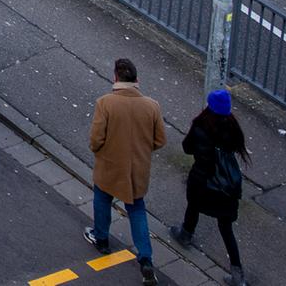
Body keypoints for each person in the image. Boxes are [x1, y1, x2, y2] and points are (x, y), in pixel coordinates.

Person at [88, 57, 166, 285]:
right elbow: (160, 140)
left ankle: (101, 239)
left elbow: (95, 139)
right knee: (137, 209)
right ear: (137, 80)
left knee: (102, 198)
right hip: (137, 170)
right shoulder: (152, 106)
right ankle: (145, 259)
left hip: (110, 166)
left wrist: (102, 150)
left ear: (115, 78)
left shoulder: (106, 103)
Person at [172, 90, 249, 286]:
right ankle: (237, 273)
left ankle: (186, 234)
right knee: (226, 227)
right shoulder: (232, 127)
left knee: (194, 205)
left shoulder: (201, 126)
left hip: (203, 180)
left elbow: (187, 147)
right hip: (226, 187)